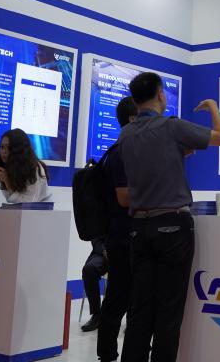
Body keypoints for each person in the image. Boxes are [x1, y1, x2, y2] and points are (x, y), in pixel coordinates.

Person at [119, 72, 220, 362]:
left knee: (140, 312)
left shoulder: (125, 134)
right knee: (168, 314)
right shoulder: (172, 127)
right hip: (172, 228)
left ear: (135, 100)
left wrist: (176, 155)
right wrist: (213, 107)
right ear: (160, 94)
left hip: (139, 228)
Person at [96, 95, 138, 362]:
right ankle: (108, 353)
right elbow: (124, 198)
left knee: (126, 298)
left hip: (124, 235)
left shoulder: (121, 151)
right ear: (133, 119)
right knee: (118, 298)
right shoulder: (122, 153)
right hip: (123, 237)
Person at [0, 128, 50, 208]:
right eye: (2, 147)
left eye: (9, 148)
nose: (4, 151)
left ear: (19, 150)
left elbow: (27, 204)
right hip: (18, 208)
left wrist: (6, 180)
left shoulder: (34, 168)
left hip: (40, 209)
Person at [81, 239, 107, 332]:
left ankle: (132, 318)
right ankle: (96, 315)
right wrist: (104, 250)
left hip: (127, 251)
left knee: (135, 270)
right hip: (103, 253)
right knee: (89, 269)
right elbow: (96, 237)